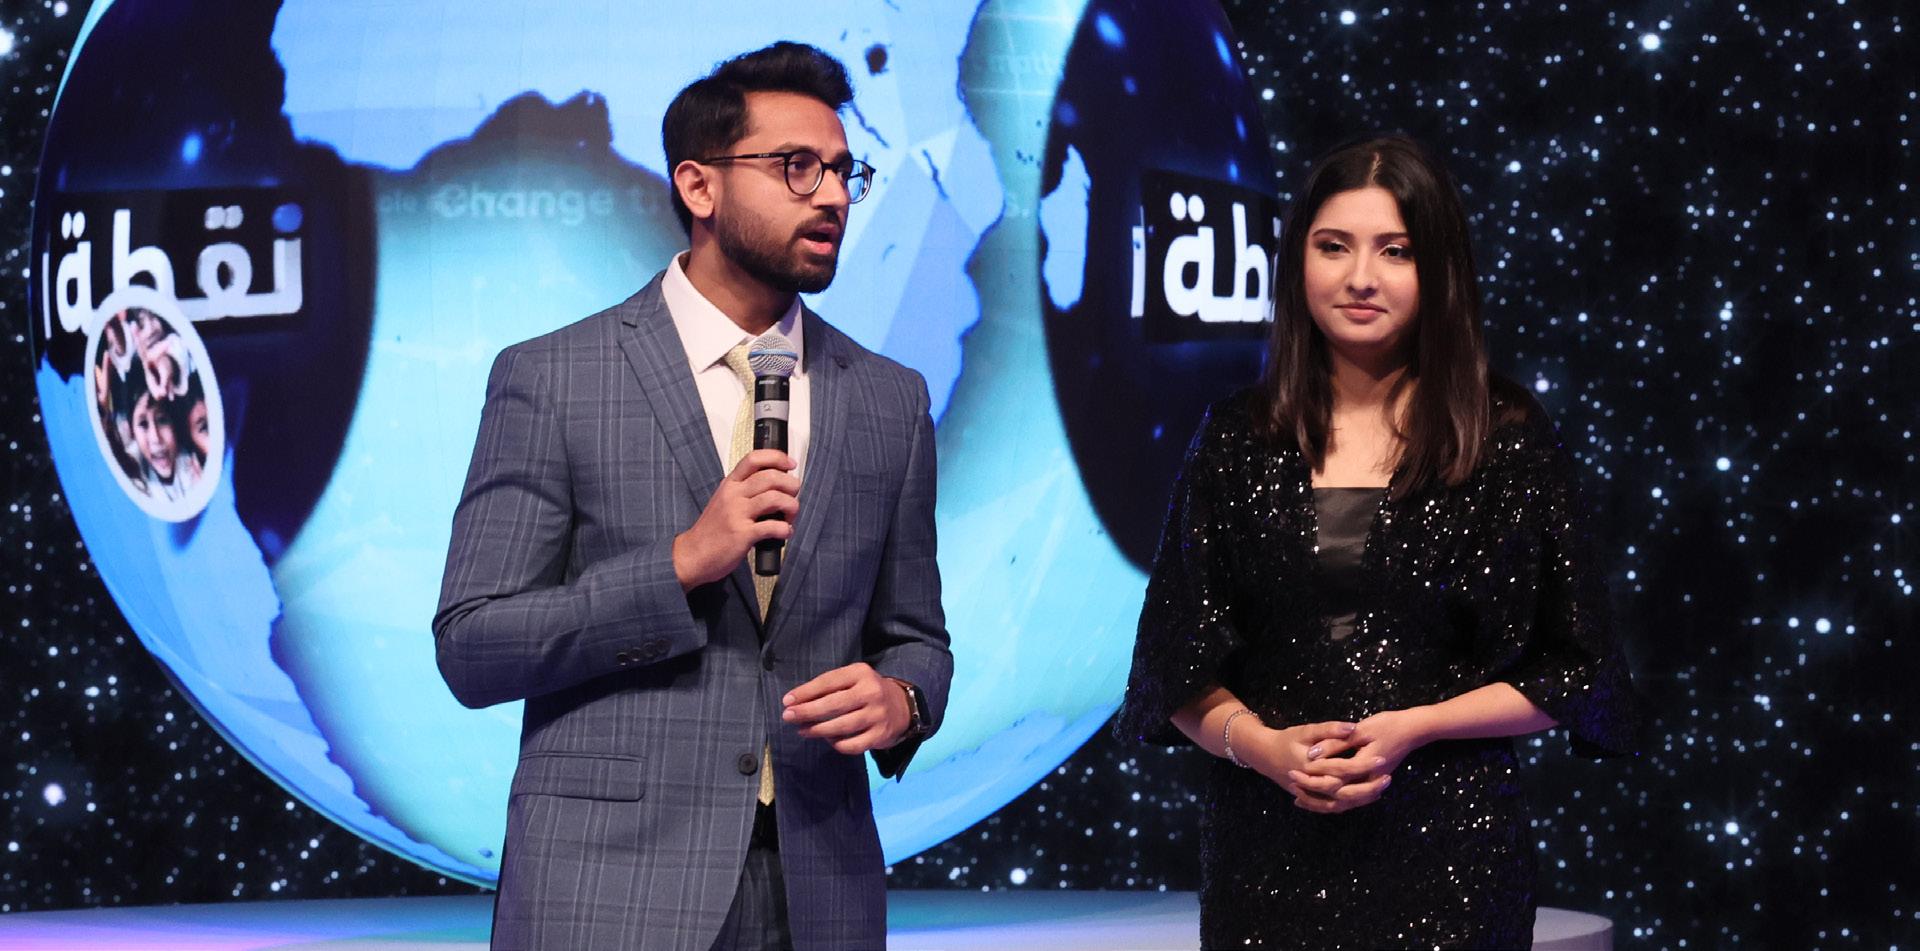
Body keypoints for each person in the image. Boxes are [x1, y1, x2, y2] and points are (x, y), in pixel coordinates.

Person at [434, 42, 951, 951]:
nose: (833, 196)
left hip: (819, 890)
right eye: (797, 167)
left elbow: (916, 636)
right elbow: (473, 645)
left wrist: (902, 698)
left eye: (844, 171)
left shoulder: (887, 398)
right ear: (699, 186)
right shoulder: (554, 377)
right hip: (606, 892)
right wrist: (677, 565)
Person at [1115, 135, 1641, 950]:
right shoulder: (1235, 437)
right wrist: (1262, 748)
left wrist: (1418, 726)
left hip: (1452, 854)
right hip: (1267, 854)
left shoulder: (1506, 435)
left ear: (1440, 269)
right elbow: (1172, 665)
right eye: (1334, 246)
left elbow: (1578, 668)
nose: (1361, 277)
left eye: (1396, 251)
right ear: (1298, 261)